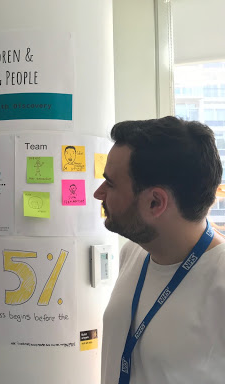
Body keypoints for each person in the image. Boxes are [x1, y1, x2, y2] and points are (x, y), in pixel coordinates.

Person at [94, 116, 225, 384]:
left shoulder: (219, 282)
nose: (99, 193)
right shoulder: (134, 253)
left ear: (155, 202)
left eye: (110, 183)